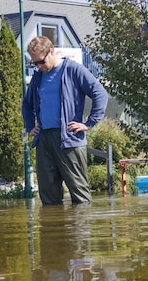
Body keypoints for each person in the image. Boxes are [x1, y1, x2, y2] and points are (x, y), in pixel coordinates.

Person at [21, 36, 108, 205]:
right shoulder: (38, 77)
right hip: (44, 139)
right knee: (48, 197)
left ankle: (80, 230)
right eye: (35, 63)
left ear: (51, 51)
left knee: (80, 195)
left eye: (41, 62)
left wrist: (89, 123)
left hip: (70, 139)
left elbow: (100, 93)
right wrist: (30, 125)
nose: (38, 67)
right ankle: (53, 231)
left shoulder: (74, 70)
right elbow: (26, 104)